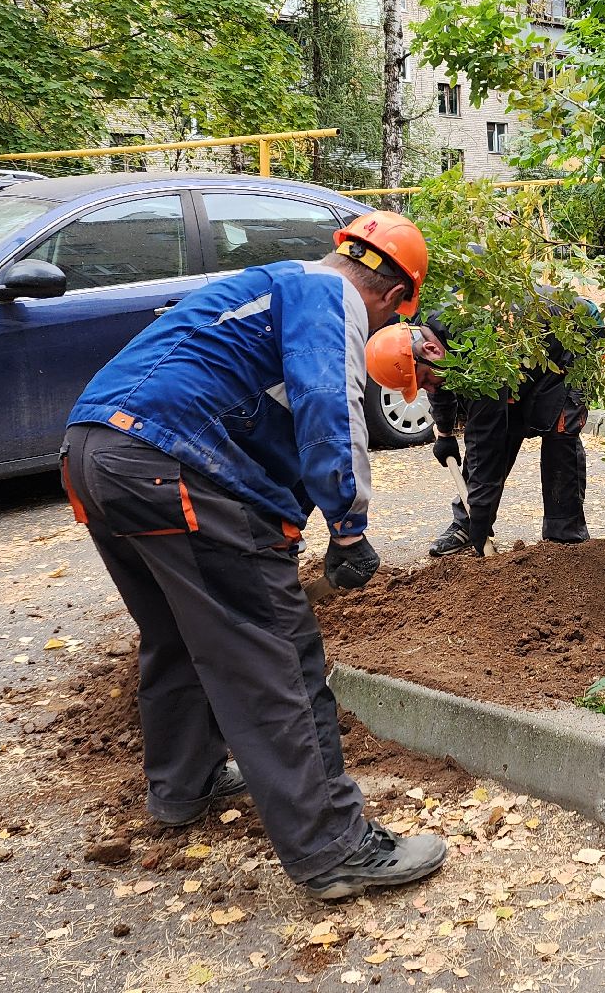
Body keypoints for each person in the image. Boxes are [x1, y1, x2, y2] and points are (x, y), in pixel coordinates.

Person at [58, 210, 449, 902]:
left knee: (177, 639)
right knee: (279, 660)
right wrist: (350, 527)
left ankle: (185, 785)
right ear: (395, 299)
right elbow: (330, 407)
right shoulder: (331, 299)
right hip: (173, 467)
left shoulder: (267, 285)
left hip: (95, 453)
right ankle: (335, 846)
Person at [423, 291, 604, 557]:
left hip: (574, 336)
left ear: (430, 350)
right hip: (524, 354)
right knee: (504, 425)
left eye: (424, 378)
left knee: (559, 431)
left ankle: (565, 537)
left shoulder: (479, 347)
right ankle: (467, 522)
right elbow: (440, 386)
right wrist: (445, 432)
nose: (427, 386)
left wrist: (481, 507)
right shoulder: (426, 337)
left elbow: (484, 438)